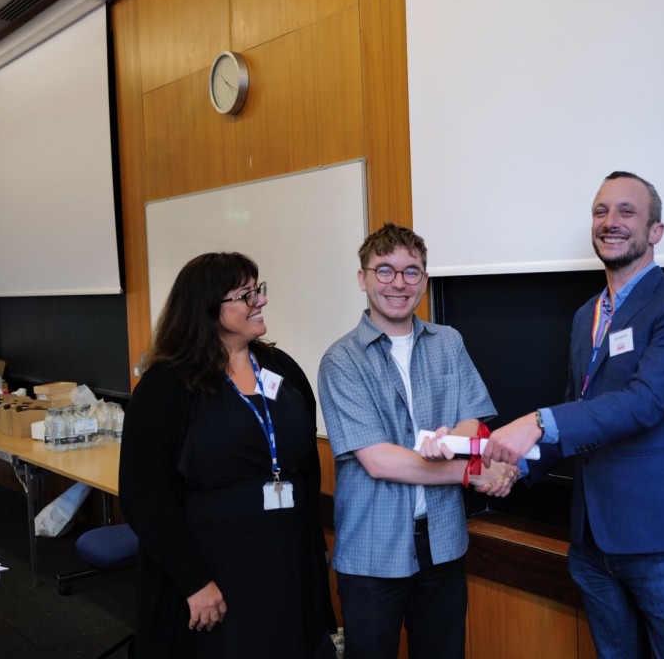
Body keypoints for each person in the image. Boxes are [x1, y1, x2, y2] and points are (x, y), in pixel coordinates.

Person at [483, 171, 664, 658]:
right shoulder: (585, 314)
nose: (611, 221)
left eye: (627, 211)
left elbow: (645, 402)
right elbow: (579, 408)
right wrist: (516, 467)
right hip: (589, 539)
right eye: (600, 211)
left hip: (657, 541)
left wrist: (538, 422)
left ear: (656, 230)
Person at [119, 252, 336, 659]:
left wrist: (313, 547)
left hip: (288, 562)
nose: (261, 300)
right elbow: (143, 494)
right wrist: (193, 581)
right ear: (206, 308)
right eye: (246, 294)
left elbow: (306, 467)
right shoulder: (166, 386)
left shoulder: (282, 369)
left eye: (259, 289)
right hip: (214, 570)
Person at [317, 223, 517, 659]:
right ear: (363, 278)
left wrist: (455, 441)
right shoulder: (341, 360)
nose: (398, 283)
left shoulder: (448, 342)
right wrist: (472, 474)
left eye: (411, 272)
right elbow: (378, 461)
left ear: (424, 280)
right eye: (384, 270)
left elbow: (471, 420)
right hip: (372, 549)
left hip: (442, 542)